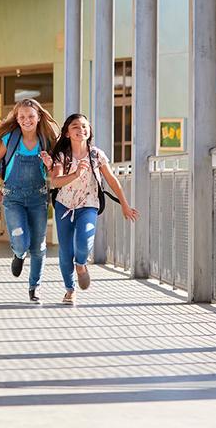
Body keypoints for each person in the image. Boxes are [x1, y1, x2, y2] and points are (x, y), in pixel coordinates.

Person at [50, 113, 139, 305]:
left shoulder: (96, 154)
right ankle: (70, 289)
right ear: (67, 133)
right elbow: (56, 182)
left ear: (89, 131)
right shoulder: (61, 156)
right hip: (64, 205)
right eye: (75, 126)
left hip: (89, 204)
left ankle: (81, 264)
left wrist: (124, 204)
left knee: (84, 241)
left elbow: (112, 180)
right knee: (65, 250)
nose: (81, 129)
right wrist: (75, 174)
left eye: (84, 126)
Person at [0, 98, 60, 303]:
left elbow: (54, 171)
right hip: (13, 197)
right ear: (16, 118)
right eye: (22, 116)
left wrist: (49, 163)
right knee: (20, 241)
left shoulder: (46, 140)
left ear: (39, 117)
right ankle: (18, 254)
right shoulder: (10, 139)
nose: (27, 120)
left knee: (38, 247)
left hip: (38, 197)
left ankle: (35, 288)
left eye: (31, 116)